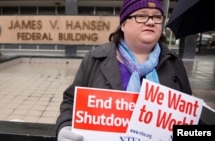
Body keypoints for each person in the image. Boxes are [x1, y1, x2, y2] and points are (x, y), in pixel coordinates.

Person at [55, 0, 194, 141]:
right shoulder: (95, 59)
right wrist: (65, 126)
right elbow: (71, 100)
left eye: (157, 17)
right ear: (123, 24)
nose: (151, 22)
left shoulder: (174, 63)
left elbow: (188, 115)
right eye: (141, 15)